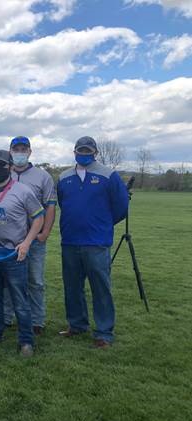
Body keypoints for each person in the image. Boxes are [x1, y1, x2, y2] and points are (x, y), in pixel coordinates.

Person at [57, 136, 129, 348]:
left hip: (97, 242)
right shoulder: (63, 177)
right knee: (72, 287)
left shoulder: (109, 175)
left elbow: (121, 207)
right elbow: (63, 202)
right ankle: (77, 325)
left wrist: (103, 223)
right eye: (81, 150)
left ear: (95, 152)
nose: (84, 154)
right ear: (74, 152)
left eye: (88, 151)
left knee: (101, 288)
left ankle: (104, 333)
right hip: (70, 241)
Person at [0, 150, 44, 357]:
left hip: (14, 254)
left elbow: (38, 217)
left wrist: (26, 243)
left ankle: (26, 341)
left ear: (10, 167)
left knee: (20, 300)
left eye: (2, 165)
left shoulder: (23, 191)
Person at [3, 136, 57, 335]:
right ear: (10, 151)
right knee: (7, 281)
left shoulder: (43, 177)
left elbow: (50, 206)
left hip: (33, 239)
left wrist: (45, 233)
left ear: (30, 152)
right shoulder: (3, 173)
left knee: (35, 281)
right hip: (8, 239)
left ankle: (37, 321)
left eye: (23, 149)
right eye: (16, 149)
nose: (19, 152)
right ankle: (6, 318)